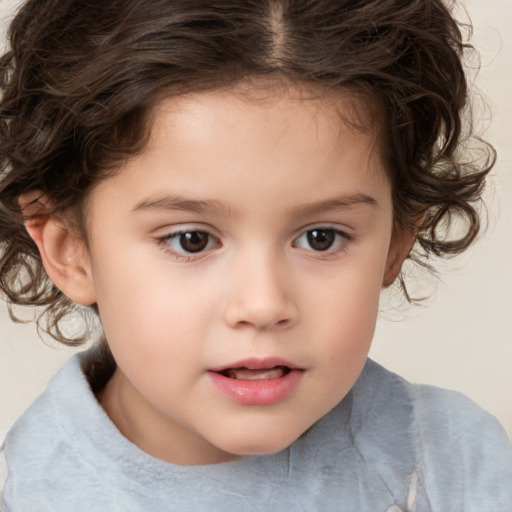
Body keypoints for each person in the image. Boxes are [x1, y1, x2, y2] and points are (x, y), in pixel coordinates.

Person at [0, 0, 511, 509]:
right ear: (69, 249)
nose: (263, 305)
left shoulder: (455, 466)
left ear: (396, 239)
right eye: (191, 240)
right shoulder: (21, 490)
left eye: (321, 238)